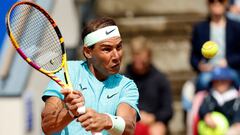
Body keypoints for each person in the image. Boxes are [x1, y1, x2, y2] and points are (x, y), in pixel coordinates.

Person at [41, 17, 140, 135]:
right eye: (107, 49)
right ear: (88, 52)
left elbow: (129, 126)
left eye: (119, 47)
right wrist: (71, 113)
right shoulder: (67, 72)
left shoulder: (127, 86)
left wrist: (106, 120)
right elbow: (47, 126)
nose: (116, 56)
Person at [125, 36, 173, 135]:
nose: (138, 60)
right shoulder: (124, 78)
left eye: (142, 56)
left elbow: (168, 110)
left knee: (158, 130)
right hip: (129, 121)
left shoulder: (160, 79)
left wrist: (154, 117)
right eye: (135, 55)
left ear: (149, 56)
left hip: (153, 122)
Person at [190, 0, 240, 92]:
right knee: (202, 81)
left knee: (236, 80)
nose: (217, 3)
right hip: (209, 70)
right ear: (208, 4)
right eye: (213, 1)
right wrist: (200, 65)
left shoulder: (236, 27)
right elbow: (193, 57)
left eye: (220, 1)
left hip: (230, 68)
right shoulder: (200, 28)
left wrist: (228, 61)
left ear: (225, 4)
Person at [198, 67, 240, 135]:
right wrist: (206, 116)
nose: (219, 84)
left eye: (223, 81)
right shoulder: (209, 97)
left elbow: (237, 119)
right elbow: (203, 109)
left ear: (230, 82)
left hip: (230, 130)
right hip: (211, 130)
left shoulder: (236, 99)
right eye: (216, 81)